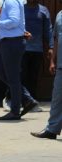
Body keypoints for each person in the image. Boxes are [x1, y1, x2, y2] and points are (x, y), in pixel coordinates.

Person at [0, 0, 38, 120]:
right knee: (3, 74)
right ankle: (27, 99)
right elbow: (19, 21)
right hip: (8, 41)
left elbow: (14, 21)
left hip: (12, 42)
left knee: (12, 77)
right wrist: (22, 30)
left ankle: (15, 111)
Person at [30, 10, 62, 140]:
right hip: (61, 65)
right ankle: (52, 129)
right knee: (57, 99)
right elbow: (55, 39)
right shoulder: (60, 15)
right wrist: (52, 60)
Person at [21, 0, 53, 112]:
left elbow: (48, 30)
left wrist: (51, 46)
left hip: (37, 49)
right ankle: (22, 102)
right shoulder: (21, 9)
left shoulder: (43, 10)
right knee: (22, 76)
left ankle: (33, 102)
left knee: (34, 77)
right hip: (22, 49)